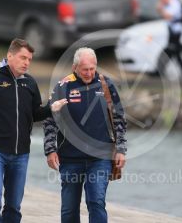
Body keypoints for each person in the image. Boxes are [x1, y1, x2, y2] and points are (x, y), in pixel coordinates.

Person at [0, 38, 63, 223]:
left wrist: (52, 107)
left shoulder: (30, 84)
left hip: (21, 153)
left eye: (29, 59)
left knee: (13, 205)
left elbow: (34, 114)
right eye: (23, 57)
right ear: (10, 55)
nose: (26, 62)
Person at [43, 47, 127, 223]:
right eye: (84, 69)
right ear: (75, 67)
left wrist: (121, 149)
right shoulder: (62, 86)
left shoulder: (106, 85)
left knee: (96, 202)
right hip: (70, 158)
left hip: (100, 157)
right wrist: (50, 150)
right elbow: (50, 119)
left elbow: (119, 118)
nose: (89, 73)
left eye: (92, 68)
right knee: (69, 210)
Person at [155, 0, 182, 77]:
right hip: (171, 30)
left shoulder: (174, 4)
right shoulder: (167, 4)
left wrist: (161, 8)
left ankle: (159, 71)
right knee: (174, 51)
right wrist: (161, 5)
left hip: (176, 31)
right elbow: (158, 10)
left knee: (172, 50)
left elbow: (168, 16)